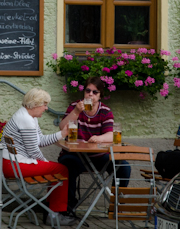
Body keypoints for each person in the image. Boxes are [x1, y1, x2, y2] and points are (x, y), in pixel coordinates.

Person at [56, 76, 131, 221]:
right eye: (88, 91)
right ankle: (69, 208)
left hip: (98, 157)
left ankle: (117, 206)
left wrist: (99, 138)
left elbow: (111, 134)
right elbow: (62, 128)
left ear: (100, 95)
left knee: (123, 166)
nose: (90, 94)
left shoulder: (105, 111)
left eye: (95, 92)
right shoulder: (74, 107)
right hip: (75, 155)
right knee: (67, 165)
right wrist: (76, 112)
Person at [1, 88, 76, 227]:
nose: (46, 108)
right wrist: (46, 163)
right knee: (62, 170)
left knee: (58, 169)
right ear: (35, 104)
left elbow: (40, 140)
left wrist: (62, 134)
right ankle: (54, 215)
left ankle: (52, 212)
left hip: (12, 163)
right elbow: (33, 150)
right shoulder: (26, 120)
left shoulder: (29, 117)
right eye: (44, 104)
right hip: (15, 166)